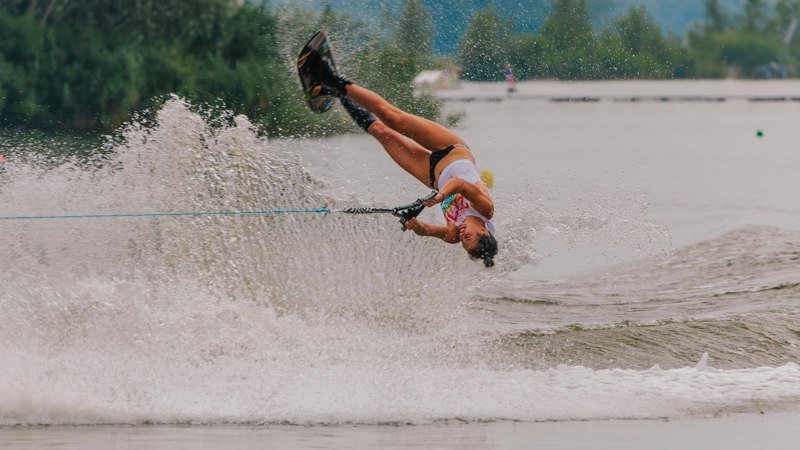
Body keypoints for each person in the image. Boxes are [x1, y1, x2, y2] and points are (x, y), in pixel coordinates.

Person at [305, 49, 498, 267]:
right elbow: (460, 183)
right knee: (391, 118)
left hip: (432, 175)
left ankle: (336, 93)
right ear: (484, 230)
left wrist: (416, 225)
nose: (462, 235)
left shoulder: (454, 234)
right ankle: (331, 77)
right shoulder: (485, 209)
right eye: (468, 236)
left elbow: (426, 230)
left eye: (464, 242)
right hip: (452, 151)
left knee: (380, 131)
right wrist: (438, 198)